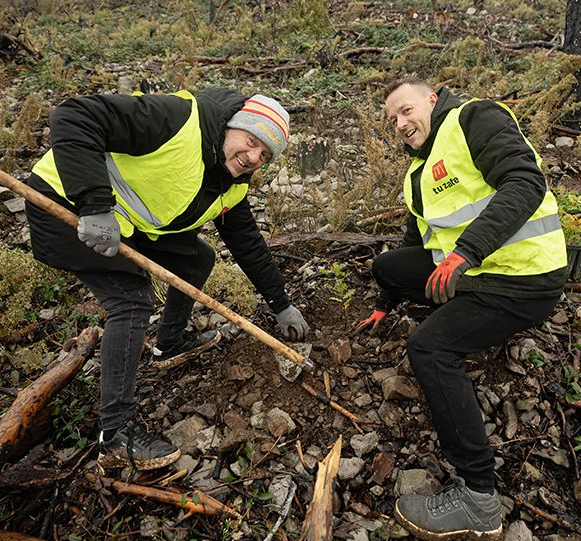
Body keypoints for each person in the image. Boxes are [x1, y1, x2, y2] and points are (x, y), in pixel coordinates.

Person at [25, 88, 309, 471]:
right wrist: (94, 205)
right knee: (131, 300)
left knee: (197, 258)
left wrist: (282, 305)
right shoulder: (176, 120)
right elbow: (75, 114)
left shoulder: (231, 184)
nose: (253, 157)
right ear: (233, 126)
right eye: (252, 140)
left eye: (265, 155)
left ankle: (170, 343)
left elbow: (249, 246)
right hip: (65, 205)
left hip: (123, 225)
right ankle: (116, 434)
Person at [356, 78, 567, 541]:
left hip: (523, 277)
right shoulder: (419, 170)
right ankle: (424, 301)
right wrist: (385, 301)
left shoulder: (474, 118)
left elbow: (526, 182)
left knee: (428, 348)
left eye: (406, 110)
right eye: (392, 119)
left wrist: (466, 252)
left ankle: (478, 499)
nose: (400, 123)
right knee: (386, 265)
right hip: (475, 271)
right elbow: (422, 240)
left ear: (432, 99)